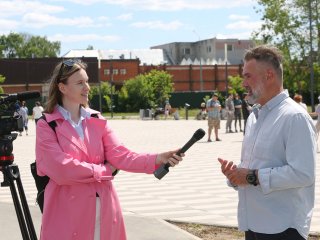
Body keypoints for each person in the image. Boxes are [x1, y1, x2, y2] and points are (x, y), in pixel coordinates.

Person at [35, 59, 184, 240]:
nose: (87, 87)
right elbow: (62, 169)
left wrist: (158, 158)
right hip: (68, 216)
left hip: (104, 213)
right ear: (62, 87)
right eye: (80, 83)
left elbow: (122, 156)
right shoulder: (47, 125)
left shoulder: (97, 119)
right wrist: (104, 170)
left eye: (87, 81)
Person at [218, 45, 316, 240]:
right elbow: (257, 168)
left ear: (269, 75)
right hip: (254, 225)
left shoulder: (294, 116)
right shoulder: (254, 117)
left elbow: (303, 174)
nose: (243, 82)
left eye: (248, 76)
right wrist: (236, 175)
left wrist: (251, 177)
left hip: (283, 229)